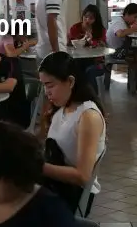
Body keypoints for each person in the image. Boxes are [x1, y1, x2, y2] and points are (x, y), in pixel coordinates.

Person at [35, 52, 106, 216]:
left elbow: (83, 176)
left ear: (71, 81)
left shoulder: (88, 116)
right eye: (44, 86)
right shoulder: (62, 108)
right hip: (55, 186)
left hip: (72, 195)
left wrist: (38, 167)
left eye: (50, 85)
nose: (47, 92)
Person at [106, 3, 137, 92]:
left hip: (122, 49)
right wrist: (134, 29)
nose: (136, 20)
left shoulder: (125, 23)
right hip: (116, 51)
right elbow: (120, 33)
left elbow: (128, 31)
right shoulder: (119, 22)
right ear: (127, 14)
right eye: (135, 17)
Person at [68, 3, 107, 91]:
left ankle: (93, 99)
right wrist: (82, 40)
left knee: (89, 71)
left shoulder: (100, 30)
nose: (87, 20)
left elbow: (103, 46)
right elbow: (71, 43)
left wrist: (92, 41)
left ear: (96, 19)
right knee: (74, 69)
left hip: (97, 62)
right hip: (79, 59)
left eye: (91, 18)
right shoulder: (75, 28)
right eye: (85, 17)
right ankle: (78, 96)